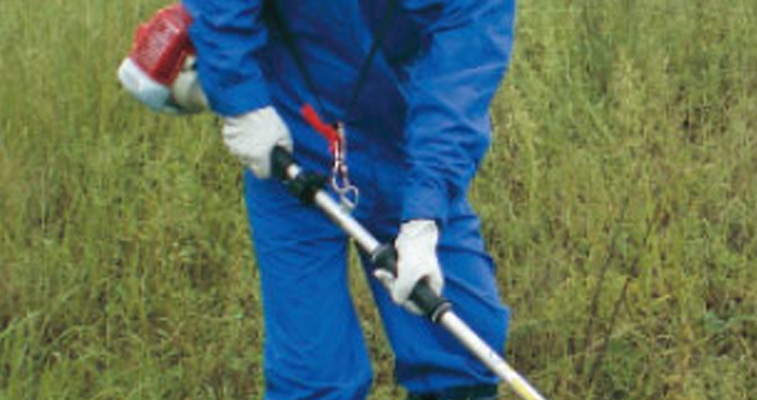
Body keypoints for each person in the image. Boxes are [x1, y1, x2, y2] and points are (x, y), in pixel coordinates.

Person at [180, 0, 516, 398]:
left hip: (402, 141)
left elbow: (460, 83)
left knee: (463, 341)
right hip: (295, 131)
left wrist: (423, 218)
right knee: (312, 367)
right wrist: (243, 102)